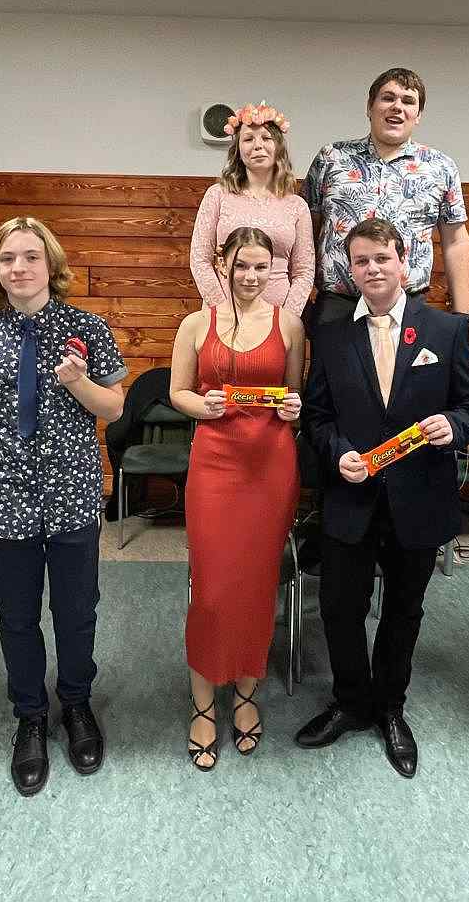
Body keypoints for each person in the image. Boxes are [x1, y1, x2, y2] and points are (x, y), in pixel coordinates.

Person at [296, 218, 469, 778]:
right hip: (351, 496)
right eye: (361, 261)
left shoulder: (446, 329)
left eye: (382, 258)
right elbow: (318, 415)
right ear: (350, 270)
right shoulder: (331, 336)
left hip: (419, 497)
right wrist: (337, 453)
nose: (372, 269)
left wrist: (454, 426)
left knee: (404, 610)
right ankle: (350, 702)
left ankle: (390, 707)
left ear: (404, 262)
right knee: (340, 608)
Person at [0, 217, 127, 798]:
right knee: (17, 617)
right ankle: (29, 715)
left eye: (30, 256)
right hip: (7, 500)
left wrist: (77, 382)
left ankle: (76, 703)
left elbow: (114, 409)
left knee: (77, 612)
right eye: (7, 259)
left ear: (51, 264)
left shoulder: (87, 328)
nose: (19, 268)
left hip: (73, 495)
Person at [170, 226, 305, 770]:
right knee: (210, 586)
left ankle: (247, 693)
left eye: (261, 267)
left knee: (256, 585)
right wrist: (199, 406)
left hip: (270, 465)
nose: (250, 276)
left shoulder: (289, 324)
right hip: (215, 462)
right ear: (222, 263)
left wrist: (294, 408)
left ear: (273, 270)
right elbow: (177, 392)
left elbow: (294, 397)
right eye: (241, 265)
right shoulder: (194, 323)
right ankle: (203, 701)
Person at [301, 68, 469, 329]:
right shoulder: (331, 158)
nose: (397, 107)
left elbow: (455, 241)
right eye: (388, 98)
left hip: (408, 304)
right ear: (369, 107)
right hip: (338, 306)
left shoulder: (440, 167)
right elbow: (305, 233)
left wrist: (462, 316)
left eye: (408, 101)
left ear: (418, 115)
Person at [188, 104, 314, 316]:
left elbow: (304, 271)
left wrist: (287, 319)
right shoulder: (217, 195)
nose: (258, 145)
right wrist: (222, 311)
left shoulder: (297, 206)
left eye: (266, 138)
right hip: (223, 315)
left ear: (278, 147)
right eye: (248, 139)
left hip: (277, 316)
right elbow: (200, 260)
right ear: (237, 150)